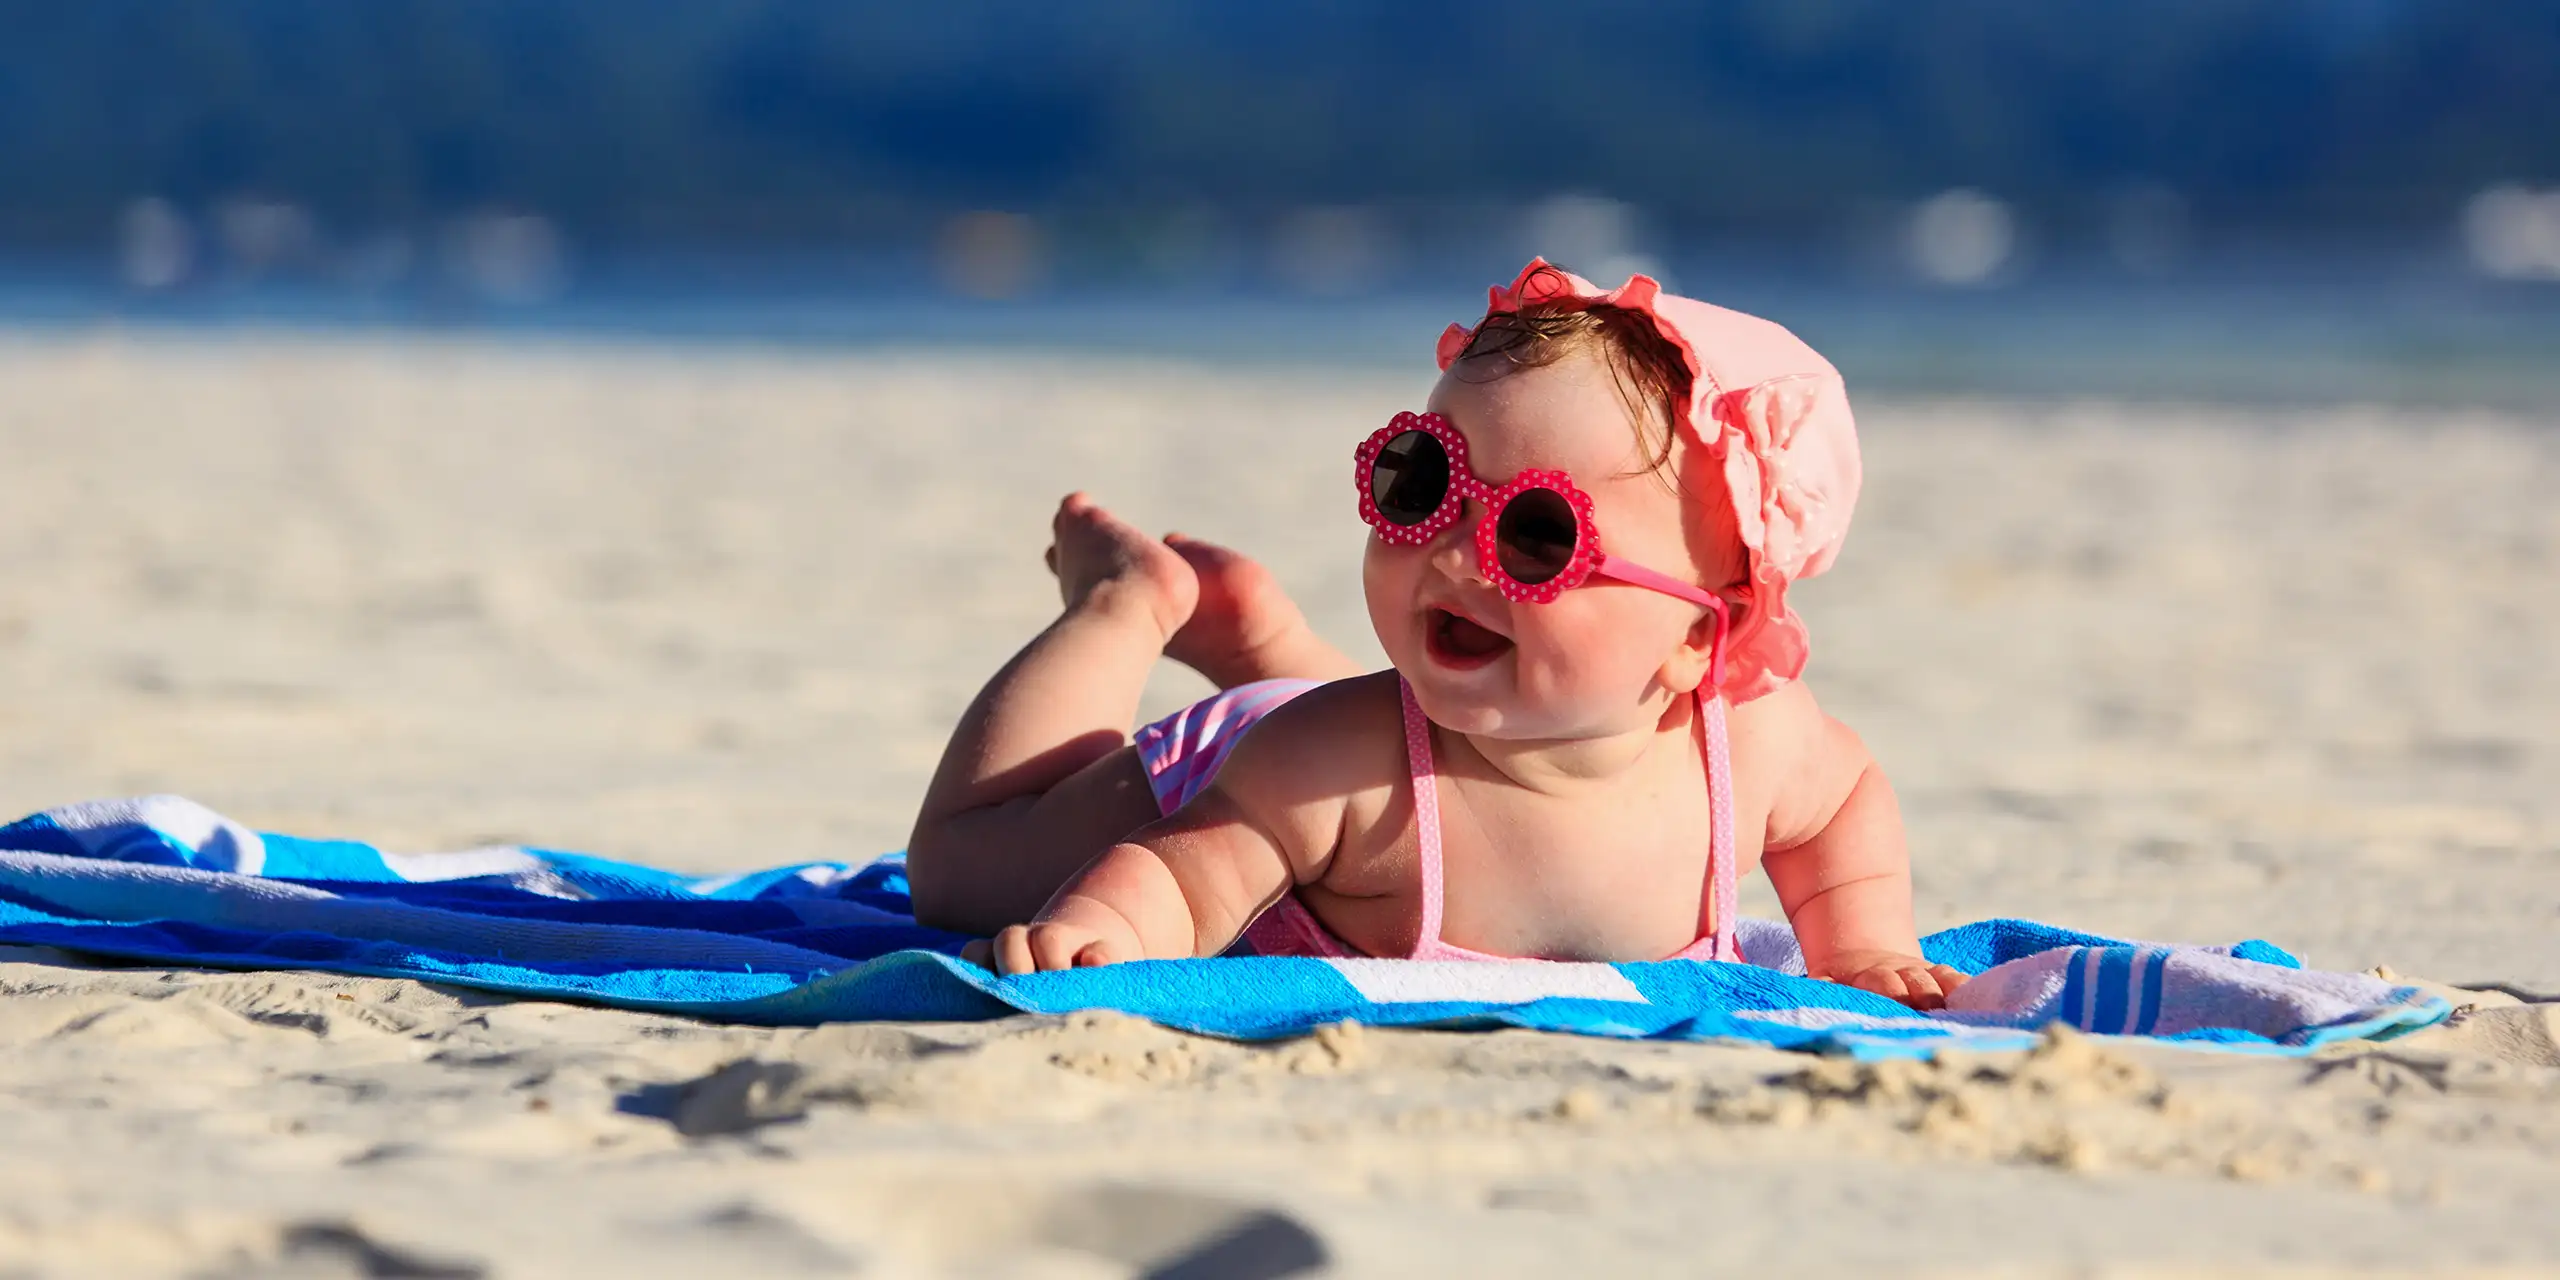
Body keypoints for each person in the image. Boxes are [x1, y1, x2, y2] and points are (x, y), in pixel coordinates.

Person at [906, 260, 1967, 1008]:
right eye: (1424, 484)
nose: (1454, 556)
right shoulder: (1334, 768)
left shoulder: (1750, 744)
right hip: (1228, 769)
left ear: (1702, 639)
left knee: (1410, 683)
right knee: (961, 870)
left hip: (1366, 725)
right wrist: (1114, 935)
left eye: (1538, 535)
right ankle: (1127, 603)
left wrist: (1862, 942)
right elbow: (1187, 878)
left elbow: (1842, 797)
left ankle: (1266, 642)